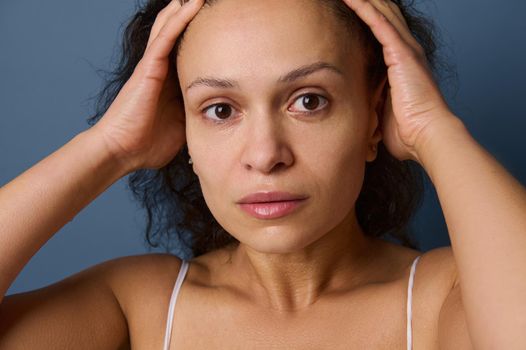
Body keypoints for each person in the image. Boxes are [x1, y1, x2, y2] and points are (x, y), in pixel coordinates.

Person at [0, 0, 525, 349]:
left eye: (308, 100)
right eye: (221, 110)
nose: (265, 154)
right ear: (183, 131)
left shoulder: (442, 301)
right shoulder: (139, 308)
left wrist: (434, 129)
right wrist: (108, 147)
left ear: (375, 116)